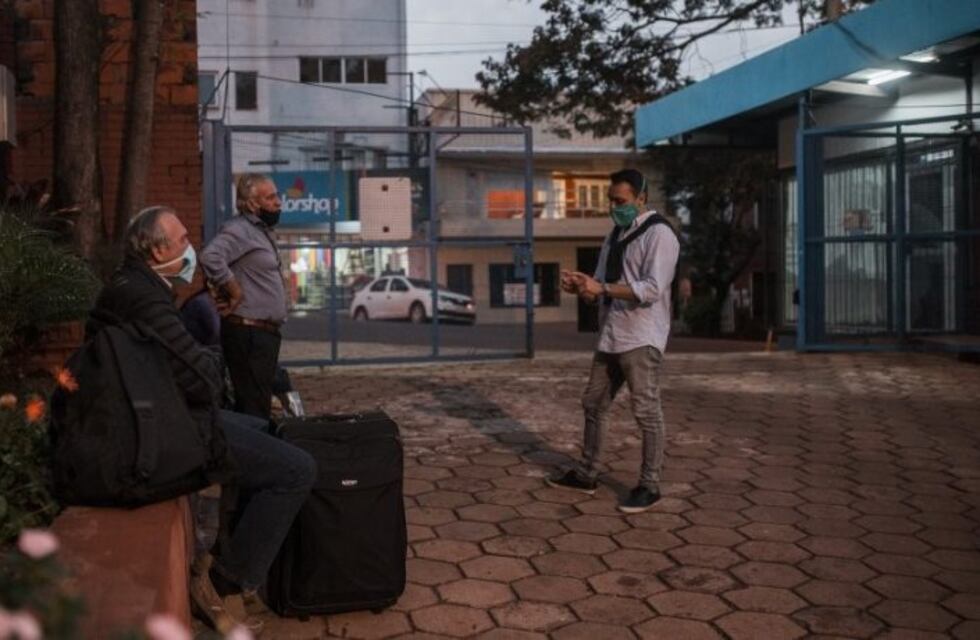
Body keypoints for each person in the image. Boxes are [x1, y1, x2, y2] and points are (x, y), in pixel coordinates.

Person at [95, 206, 316, 633]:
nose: (190, 249)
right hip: (159, 429)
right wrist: (212, 357)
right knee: (296, 469)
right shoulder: (142, 297)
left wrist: (204, 356)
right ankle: (223, 581)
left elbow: (186, 364)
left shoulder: (139, 287)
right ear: (159, 249)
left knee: (268, 432)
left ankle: (229, 556)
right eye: (182, 242)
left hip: (163, 413)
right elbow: (204, 378)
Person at [547, 169, 679, 514]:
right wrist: (583, 287)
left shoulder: (660, 235)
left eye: (620, 201)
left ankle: (649, 485)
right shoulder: (615, 235)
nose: (614, 207)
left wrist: (601, 288)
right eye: (611, 201)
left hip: (641, 335)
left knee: (646, 411)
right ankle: (587, 474)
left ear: (641, 198)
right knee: (593, 403)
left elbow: (651, 289)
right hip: (612, 334)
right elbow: (602, 286)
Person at [200, 173, 288, 419]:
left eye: (277, 196)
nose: (278, 202)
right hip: (249, 333)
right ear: (251, 203)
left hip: (262, 334)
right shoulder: (240, 230)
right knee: (253, 407)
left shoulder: (261, 231)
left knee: (258, 403)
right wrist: (233, 289)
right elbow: (210, 256)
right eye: (270, 197)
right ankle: (251, 455)